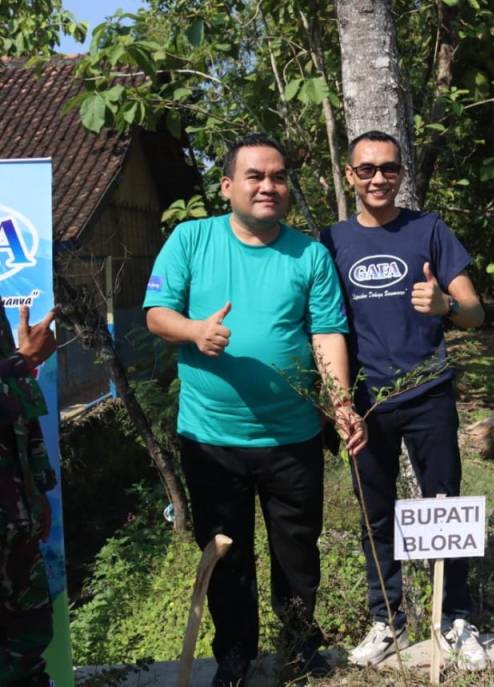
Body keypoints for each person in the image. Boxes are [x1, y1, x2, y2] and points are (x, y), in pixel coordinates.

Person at [145, 134, 364, 686]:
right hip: (211, 439)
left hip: (291, 437)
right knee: (226, 557)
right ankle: (235, 660)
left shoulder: (309, 254)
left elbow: (327, 333)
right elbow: (156, 314)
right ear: (228, 187)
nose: (269, 186)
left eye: (279, 177)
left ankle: (298, 646)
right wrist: (195, 331)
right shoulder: (191, 240)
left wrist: (340, 405)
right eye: (255, 176)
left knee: (297, 552)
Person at [319, 130, 487, 670]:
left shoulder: (429, 230)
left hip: (428, 392)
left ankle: (455, 618)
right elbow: (325, 329)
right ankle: (386, 620)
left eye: (388, 168)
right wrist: (340, 400)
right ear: (349, 176)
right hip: (366, 403)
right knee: (376, 513)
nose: (377, 178)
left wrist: (444, 305)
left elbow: (475, 313)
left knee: (446, 507)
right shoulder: (330, 242)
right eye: (366, 169)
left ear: (400, 174)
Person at [0, 305, 58, 687]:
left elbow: (18, 401)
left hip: (15, 510)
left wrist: (37, 486)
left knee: (28, 638)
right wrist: (23, 360)